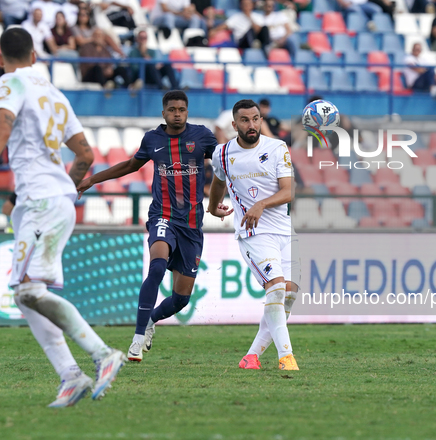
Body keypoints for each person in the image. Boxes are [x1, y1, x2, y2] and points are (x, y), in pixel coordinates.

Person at [0, 27, 125, 407]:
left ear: (2, 59)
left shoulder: (10, 83)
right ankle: (70, 375)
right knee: (26, 294)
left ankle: (103, 354)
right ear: (35, 55)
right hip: (48, 201)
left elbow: (3, 124)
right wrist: (64, 190)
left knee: (29, 290)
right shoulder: (55, 93)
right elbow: (85, 154)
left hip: (41, 202)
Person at [77, 91, 220, 363]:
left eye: (181, 109)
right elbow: (132, 165)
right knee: (156, 267)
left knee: (181, 300)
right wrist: (93, 179)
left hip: (192, 225)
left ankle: (153, 320)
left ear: (187, 112)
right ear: (163, 113)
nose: (177, 113)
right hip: (162, 216)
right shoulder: (153, 139)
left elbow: (226, 164)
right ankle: (137, 337)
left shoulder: (202, 137)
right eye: (172, 109)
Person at [208, 99, 299, 371]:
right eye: (245, 120)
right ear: (234, 125)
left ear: (261, 120)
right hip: (253, 233)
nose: (252, 125)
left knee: (290, 294)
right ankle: (286, 357)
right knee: (277, 288)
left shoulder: (277, 148)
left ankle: (251, 357)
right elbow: (218, 181)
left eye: (256, 119)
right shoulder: (222, 153)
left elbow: (288, 192)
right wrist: (213, 207)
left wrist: (260, 204)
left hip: (283, 229)